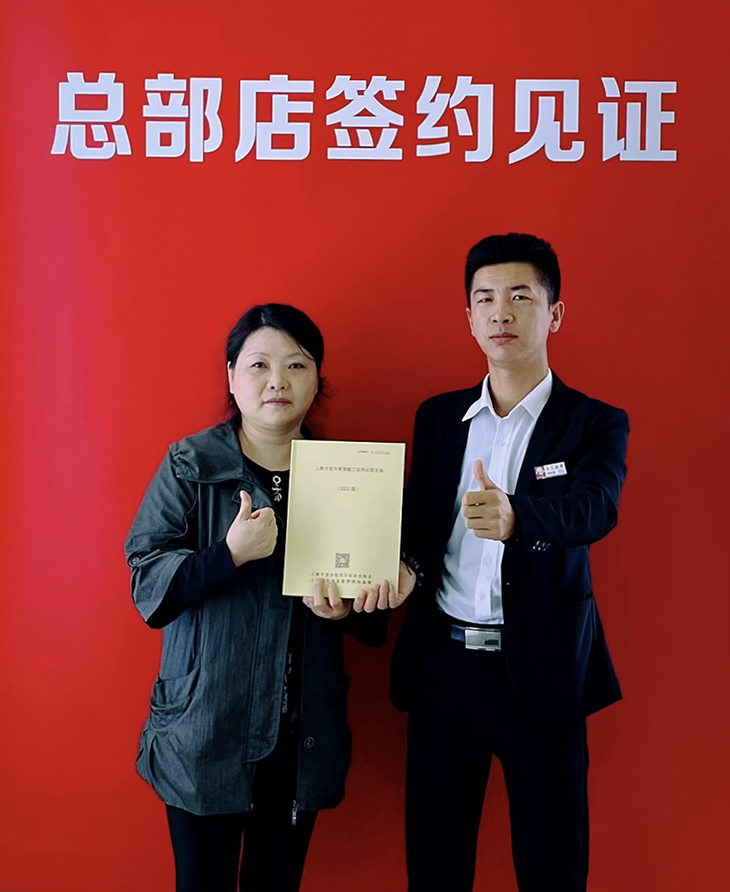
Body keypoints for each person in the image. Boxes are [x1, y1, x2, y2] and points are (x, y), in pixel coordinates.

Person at [125, 303, 413, 892]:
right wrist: (228, 554)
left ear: (317, 378)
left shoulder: (348, 476)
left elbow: (369, 621)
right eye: (259, 365)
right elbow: (147, 582)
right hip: (204, 732)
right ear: (232, 375)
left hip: (301, 737)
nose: (277, 380)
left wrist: (354, 606)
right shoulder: (189, 464)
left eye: (296, 365)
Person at [390, 234, 629, 892]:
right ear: (469, 317)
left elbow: (596, 508)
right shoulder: (439, 418)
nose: (501, 312)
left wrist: (520, 517)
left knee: (554, 870)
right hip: (443, 668)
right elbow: (419, 527)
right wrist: (402, 568)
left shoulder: (594, 423)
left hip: (543, 669)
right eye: (485, 298)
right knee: (434, 869)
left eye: (521, 296)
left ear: (554, 313)